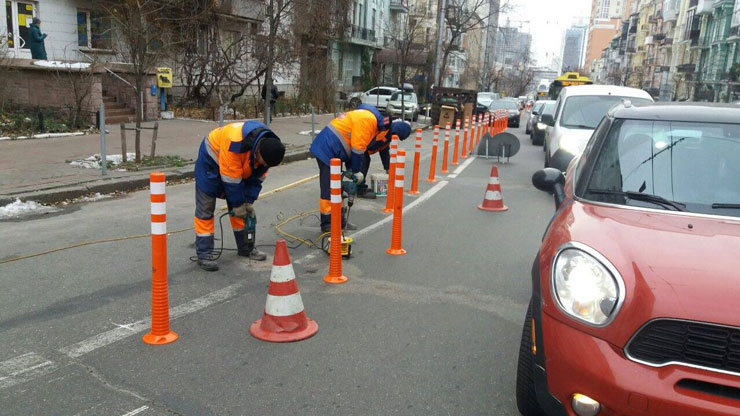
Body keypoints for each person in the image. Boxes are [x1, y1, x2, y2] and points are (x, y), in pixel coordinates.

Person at [193, 121, 286, 271]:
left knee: (242, 210)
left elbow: (256, 180)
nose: (263, 165)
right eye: (263, 162)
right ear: (258, 152)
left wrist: (248, 201)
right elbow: (231, 179)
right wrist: (238, 204)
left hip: (235, 167)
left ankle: (246, 248)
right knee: (206, 209)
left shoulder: (269, 149)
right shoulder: (235, 143)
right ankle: (204, 254)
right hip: (211, 162)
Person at [309, 104, 411, 231]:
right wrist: (356, 171)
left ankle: (339, 221)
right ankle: (327, 224)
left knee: (337, 188)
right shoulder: (368, 121)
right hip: (326, 147)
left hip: (336, 150)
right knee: (329, 188)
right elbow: (358, 149)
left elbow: (357, 149)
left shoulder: (375, 123)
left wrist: (352, 171)